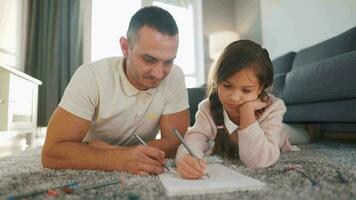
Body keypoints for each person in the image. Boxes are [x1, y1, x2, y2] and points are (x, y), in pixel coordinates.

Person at [42, 6, 190, 175]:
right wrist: (119, 159)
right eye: (149, 59)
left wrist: (110, 151)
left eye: (168, 62)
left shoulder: (175, 76)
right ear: (125, 47)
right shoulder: (91, 76)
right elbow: (52, 153)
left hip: (95, 150)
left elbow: (174, 143)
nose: (159, 73)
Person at [175, 40, 294, 179]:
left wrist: (247, 112)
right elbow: (195, 138)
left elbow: (258, 162)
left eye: (246, 90)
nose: (234, 97)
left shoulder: (273, 108)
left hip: (282, 134)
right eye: (227, 86)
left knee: (301, 135)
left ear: (261, 88)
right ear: (217, 81)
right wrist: (188, 158)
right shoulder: (208, 108)